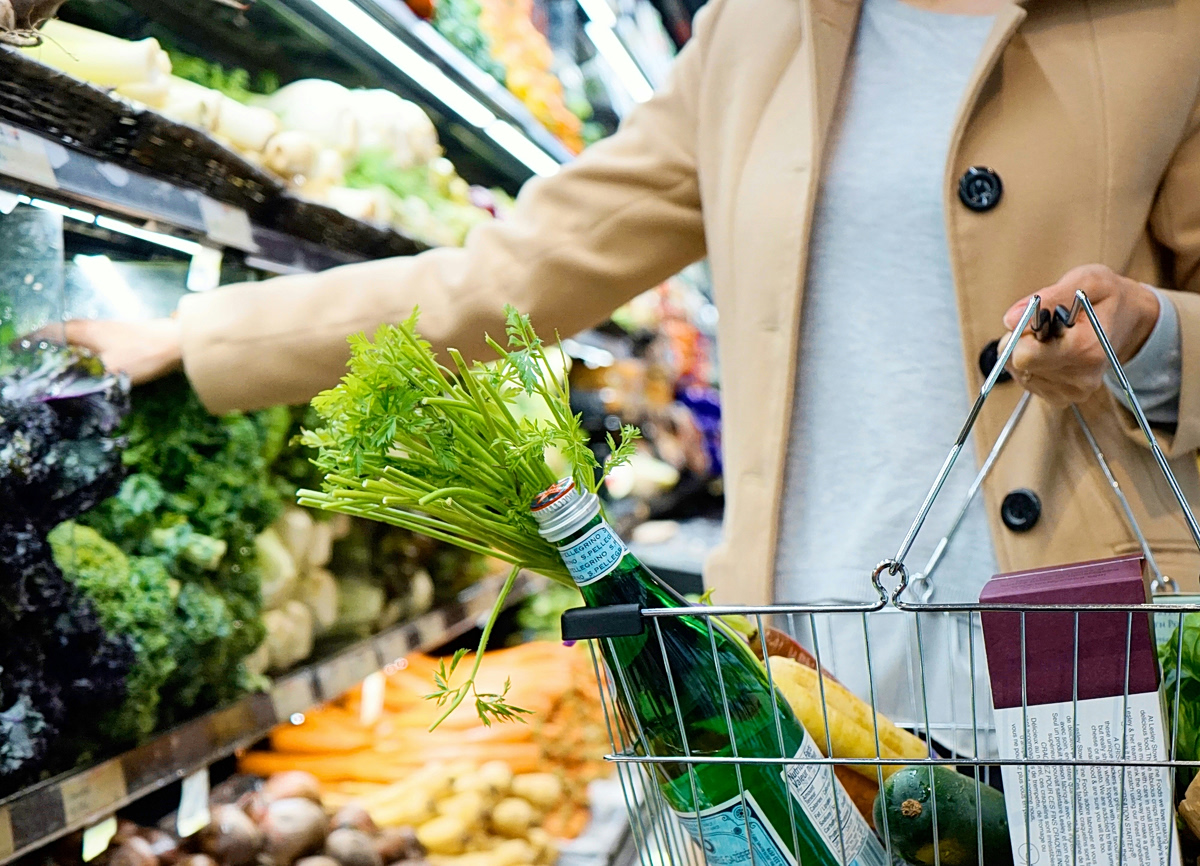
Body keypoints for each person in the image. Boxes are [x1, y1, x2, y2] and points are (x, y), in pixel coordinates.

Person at [64, 0, 1200, 751]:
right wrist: (209, 337)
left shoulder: (1164, 25)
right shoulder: (757, 36)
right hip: (800, 659)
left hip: (1088, 642)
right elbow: (513, 273)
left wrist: (1148, 337)